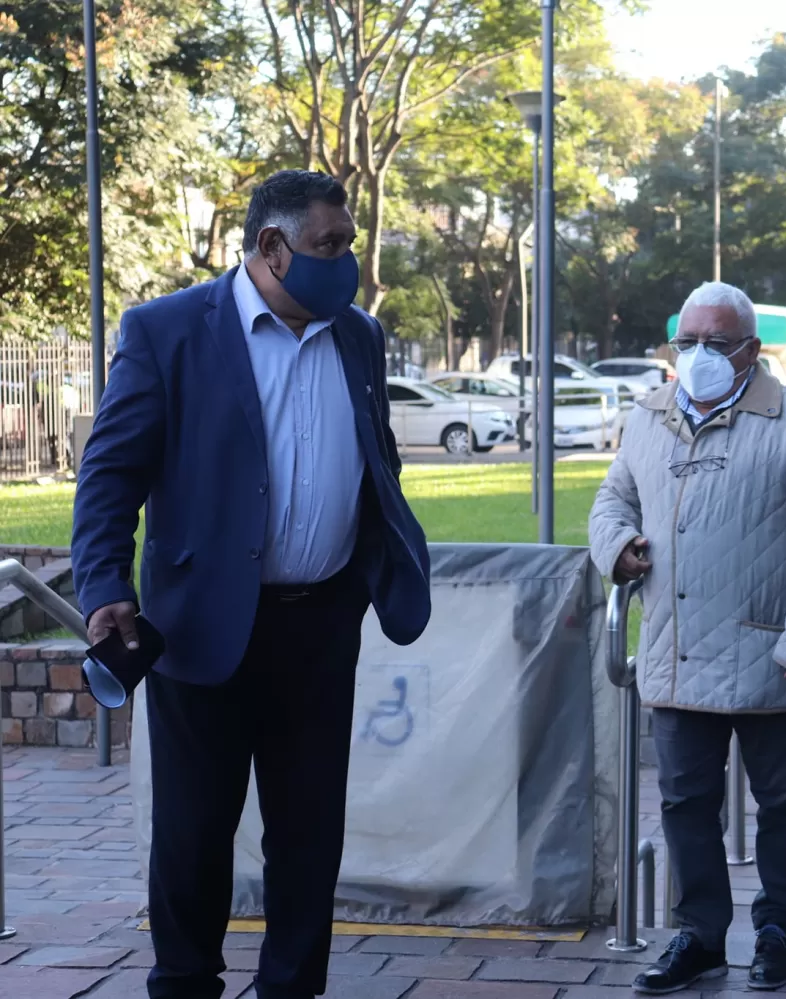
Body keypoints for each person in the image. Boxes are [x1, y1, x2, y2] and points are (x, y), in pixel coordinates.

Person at [72, 170, 431, 999]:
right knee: (194, 832)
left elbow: (376, 454)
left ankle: (291, 988)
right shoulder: (169, 331)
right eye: (329, 247)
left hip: (322, 623)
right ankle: (186, 983)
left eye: (348, 244)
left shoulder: (358, 336)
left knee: (309, 835)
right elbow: (110, 473)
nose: (344, 263)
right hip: (203, 627)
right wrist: (102, 586)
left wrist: (377, 550)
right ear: (272, 248)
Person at [589, 282, 786, 994]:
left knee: (785, 805)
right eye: (688, 341)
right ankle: (700, 934)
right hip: (678, 651)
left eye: (717, 342)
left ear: (750, 350)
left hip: (772, 653)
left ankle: (777, 930)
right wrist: (616, 545)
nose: (699, 355)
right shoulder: (648, 417)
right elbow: (613, 497)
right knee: (683, 803)